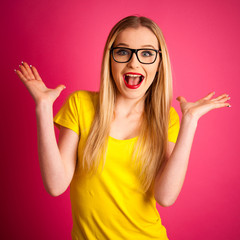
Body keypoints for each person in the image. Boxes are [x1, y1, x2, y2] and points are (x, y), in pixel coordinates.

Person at [15, 15, 231, 240]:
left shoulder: (165, 118)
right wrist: (43, 107)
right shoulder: (80, 105)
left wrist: (190, 122)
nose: (134, 63)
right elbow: (55, 184)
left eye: (146, 53)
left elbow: (166, 197)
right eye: (123, 52)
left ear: (159, 64)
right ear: (110, 59)